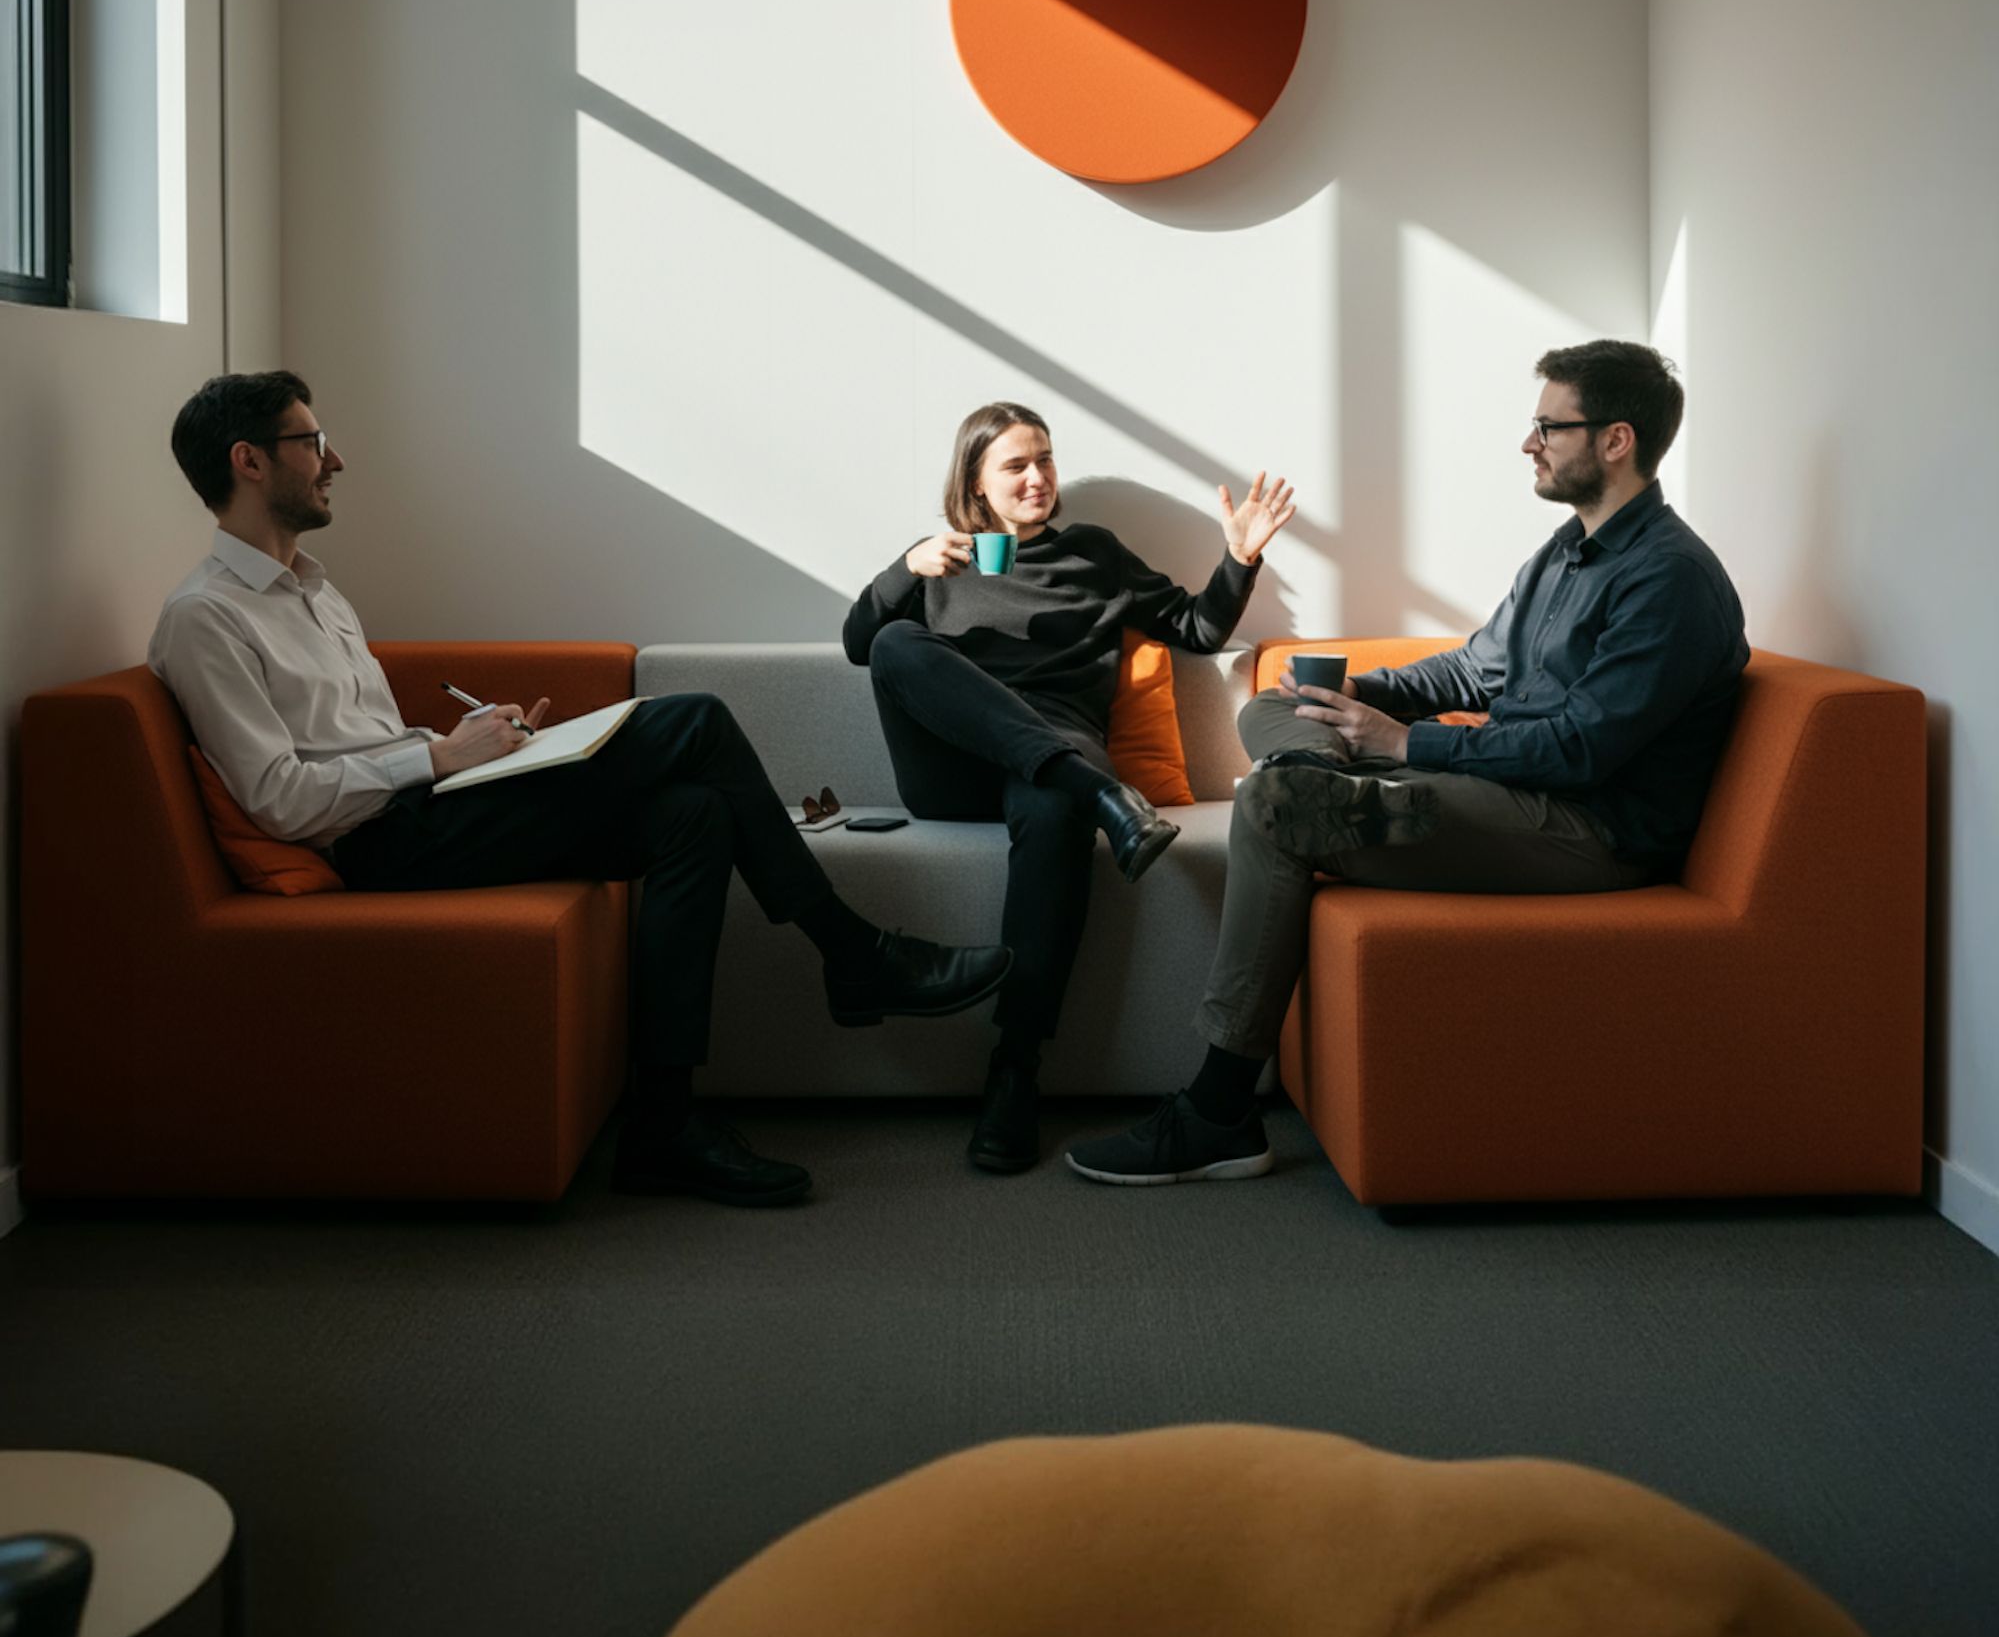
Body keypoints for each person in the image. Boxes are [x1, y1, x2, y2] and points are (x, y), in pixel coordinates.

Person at [149, 373, 1011, 1210]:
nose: (334, 460)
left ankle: (663, 1127)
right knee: (698, 720)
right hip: (375, 844)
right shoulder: (206, 618)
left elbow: (360, 739)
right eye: (312, 441)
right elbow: (279, 800)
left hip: (426, 806)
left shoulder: (317, 589)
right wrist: (439, 760)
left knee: (694, 815)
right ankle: (855, 956)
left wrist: (472, 745)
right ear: (249, 461)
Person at [1067, 340, 1748, 1189]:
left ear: (1615, 440)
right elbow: (1471, 670)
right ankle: (1314, 775)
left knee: (1276, 807)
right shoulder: (1565, 552)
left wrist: (1399, 743)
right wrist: (1357, 693)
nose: (1528, 443)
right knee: (1271, 705)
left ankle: (1216, 1112)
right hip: (1502, 792)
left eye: (1548, 427)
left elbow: (1580, 749)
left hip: (1583, 832)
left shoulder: (1669, 579)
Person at [844, 401, 1297, 1175]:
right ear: (975, 482)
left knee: (1052, 805)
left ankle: (1014, 1068)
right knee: (894, 641)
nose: (1037, 477)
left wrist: (1238, 560)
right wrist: (904, 570)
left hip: (1056, 751)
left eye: (1045, 459)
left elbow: (1195, 630)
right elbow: (861, 647)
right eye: (1015, 464)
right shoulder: (938, 561)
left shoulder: (1093, 553)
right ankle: (1100, 797)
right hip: (954, 765)